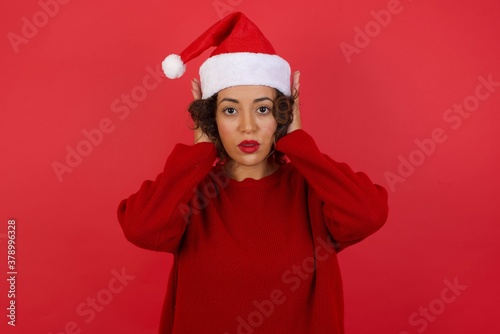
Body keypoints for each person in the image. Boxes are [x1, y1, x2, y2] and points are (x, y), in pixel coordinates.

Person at [117, 12, 388, 334]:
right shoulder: (191, 192)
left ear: (284, 115)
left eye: (264, 109)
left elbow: (367, 215)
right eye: (230, 110)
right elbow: (142, 229)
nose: (248, 126)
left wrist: (299, 143)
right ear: (210, 119)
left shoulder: (312, 189)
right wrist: (198, 155)